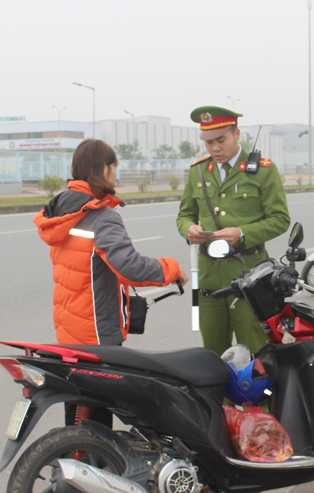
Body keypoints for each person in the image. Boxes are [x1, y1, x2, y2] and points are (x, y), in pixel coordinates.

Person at [34, 139, 188, 426]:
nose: (116, 171)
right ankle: (93, 463)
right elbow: (129, 267)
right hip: (96, 332)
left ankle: (75, 460)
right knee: (96, 415)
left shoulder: (61, 212)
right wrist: (171, 268)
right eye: (113, 165)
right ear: (100, 169)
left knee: (79, 407)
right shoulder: (101, 217)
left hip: (70, 326)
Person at [177, 106, 290, 356]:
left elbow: (280, 219)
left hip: (249, 276)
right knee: (214, 355)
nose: (214, 148)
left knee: (255, 352)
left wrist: (242, 232)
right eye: (208, 142)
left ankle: (258, 397)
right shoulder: (197, 170)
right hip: (208, 278)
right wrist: (189, 230)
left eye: (221, 140)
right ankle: (220, 398)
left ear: (237, 134)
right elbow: (184, 215)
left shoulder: (263, 169)